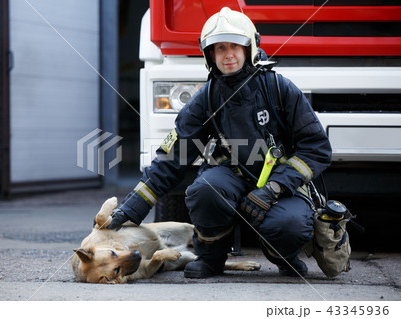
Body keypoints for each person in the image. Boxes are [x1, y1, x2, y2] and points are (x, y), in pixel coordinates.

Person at [107, 7, 332, 278]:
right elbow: (172, 157)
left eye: (235, 46)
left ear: (250, 47)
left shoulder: (279, 89)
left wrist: (274, 188)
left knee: (289, 224)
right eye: (220, 47)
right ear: (209, 54)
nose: (228, 55)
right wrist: (130, 209)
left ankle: (281, 254)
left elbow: (316, 148)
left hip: (281, 184)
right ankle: (212, 259)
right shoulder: (206, 99)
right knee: (204, 190)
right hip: (233, 177)